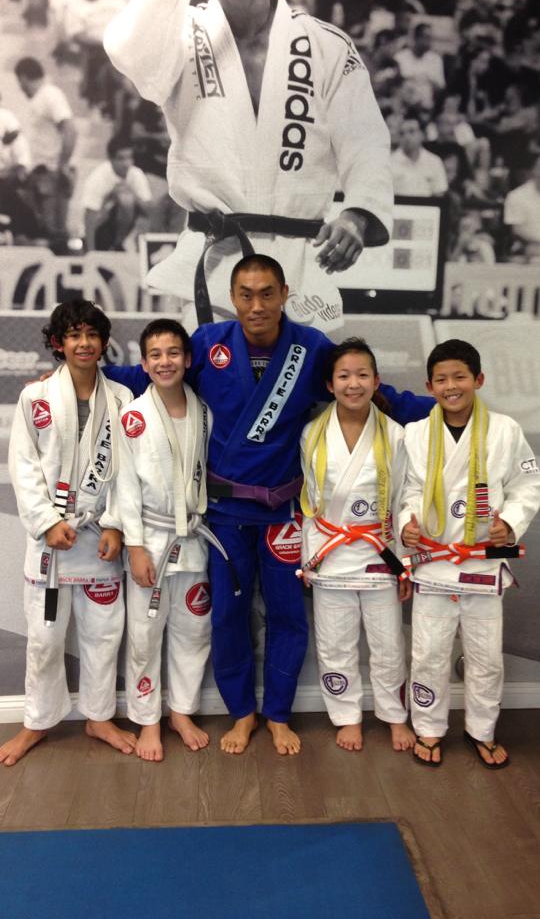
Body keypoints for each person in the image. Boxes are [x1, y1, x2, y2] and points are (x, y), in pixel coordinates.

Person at [105, 253, 433, 756]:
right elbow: (148, 374)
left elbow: (372, 391)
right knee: (227, 617)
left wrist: (442, 405)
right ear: (232, 298)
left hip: (282, 513)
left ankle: (278, 713)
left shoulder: (311, 347)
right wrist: (88, 373)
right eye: (246, 295)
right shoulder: (208, 344)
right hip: (225, 516)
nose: (256, 305)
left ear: (284, 295)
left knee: (286, 616)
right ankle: (242, 713)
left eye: (266, 294)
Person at [103, 0, 393, 334]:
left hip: (302, 269)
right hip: (215, 264)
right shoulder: (181, 33)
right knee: (216, 372)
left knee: (305, 373)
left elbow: (366, 141)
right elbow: (129, 53)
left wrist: (358, 215)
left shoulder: (326, 45)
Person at [0, 300, 134, 767]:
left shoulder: (122, 399)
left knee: (104, 635)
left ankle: (99, 717)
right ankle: (37, 721)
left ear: (104, 341)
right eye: (74, 335)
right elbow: (23, 466)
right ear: (59, 343)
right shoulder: (35, 398)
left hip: (99, 537)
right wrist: (46, 521)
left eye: (92, 334)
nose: (84, 343)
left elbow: (128, 471)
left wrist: (116, 523)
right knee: (44, 639)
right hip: (52, 542)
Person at [399, 339, 540, 768]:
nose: (451, 386)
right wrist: (407, 522)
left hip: (482, 561)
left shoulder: (505, 430)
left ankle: (482, 729)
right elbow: (408, 489)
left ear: (478, 380)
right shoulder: (415, 433)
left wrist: (510, 523)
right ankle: (428, 727)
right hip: (434, 562)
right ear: (429, 386)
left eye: (459, 376)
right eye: (441, 379)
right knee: (428, 653)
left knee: (486, 656)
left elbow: (528, 485)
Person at [299, 337, 416, 753]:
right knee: (335, 642)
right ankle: (347, 715)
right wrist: (309, 559)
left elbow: (404, 500)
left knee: (388, 643)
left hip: (379, 552)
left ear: (376, 381)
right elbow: (309, 503)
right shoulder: (312, 434)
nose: (354, 384)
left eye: (362, 375)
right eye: (344, 376)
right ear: (329, 384)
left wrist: (405, 564)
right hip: (330, 550)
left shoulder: (396, 435)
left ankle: (394, 715)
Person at [117, 319, 213, 761]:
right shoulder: (133, 417)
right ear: (143, 364)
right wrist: (134, 546)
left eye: (173, 353)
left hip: (192, 538)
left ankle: (181, 711)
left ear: (187, 359)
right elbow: (124, 487)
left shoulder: (204, 412)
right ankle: (148, 720)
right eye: (155, 355)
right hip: (151, 539)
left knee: (194, 630)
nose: (165, 361)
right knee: (145, 634)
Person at [14, 57, 77, 249]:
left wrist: (62, 165)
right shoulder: (38, 100)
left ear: (24, 78)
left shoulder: (50, 95)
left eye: (20, 82)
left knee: (55, 232)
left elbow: (70, 130)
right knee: (41, 229)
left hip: (51, 173)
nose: (20, 88)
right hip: (39, 174)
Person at [82, 134, 153, 251]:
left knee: (131, 201)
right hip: (101, 229)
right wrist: (91, 252)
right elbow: (89, 219)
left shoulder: (136, 174)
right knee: (125, 198)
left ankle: (131, 246)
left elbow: (149, 211)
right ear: (111, 159)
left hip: (126, 228)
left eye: (129, 157)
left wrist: (134, 195)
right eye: (121, 158)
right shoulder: (97, 178)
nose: (126, 163)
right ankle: (111, 246)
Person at [391, 115, 448, 197]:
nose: (406, 137)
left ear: (422, 135)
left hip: (428, 205)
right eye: (402, 133)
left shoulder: (435, 161)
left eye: (411, 131)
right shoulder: (389, 162)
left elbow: (439, 193)